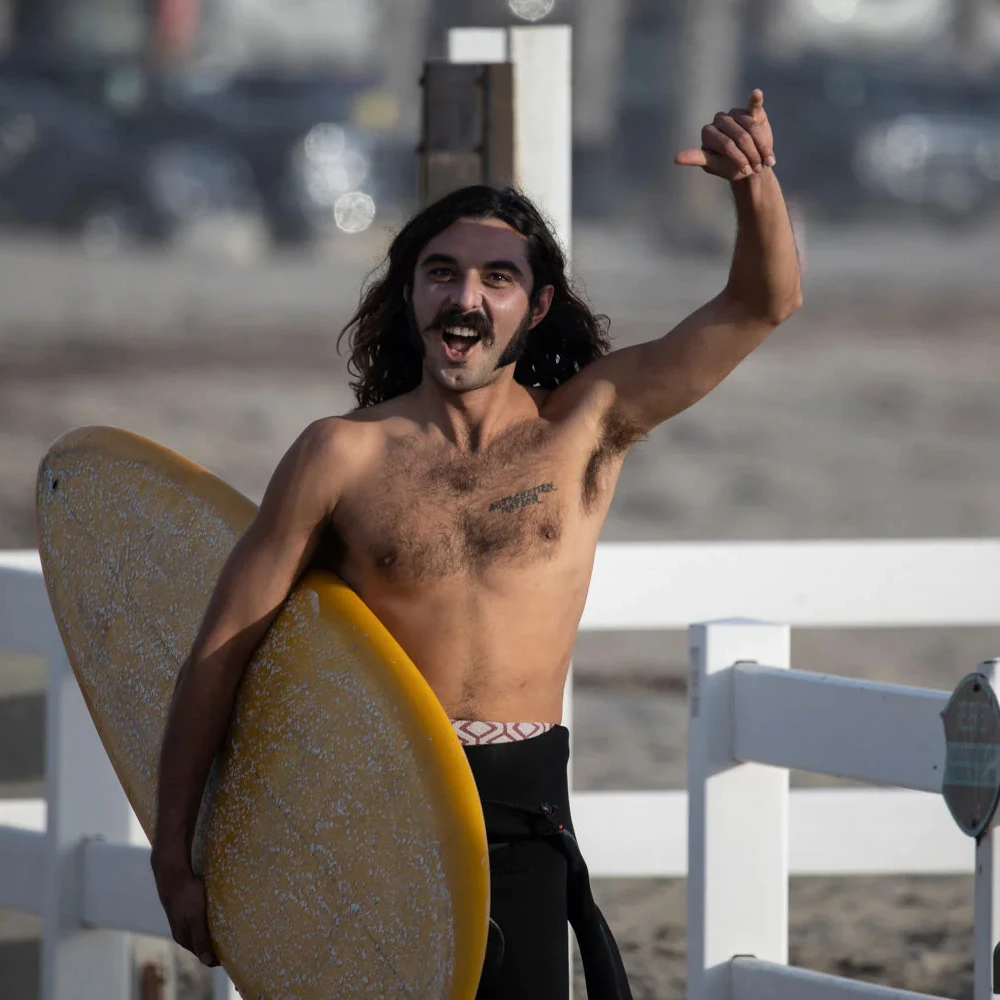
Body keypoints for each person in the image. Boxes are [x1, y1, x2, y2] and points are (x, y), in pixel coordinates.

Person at [150, 89, 801, 999]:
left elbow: (762, 303)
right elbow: (221, 652)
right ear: (409, 293)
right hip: (375, 801)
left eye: (498, 278)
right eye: (442, 273)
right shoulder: (340, 455)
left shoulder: (587, 426)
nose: (466, 298)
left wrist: (753, 182)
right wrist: (172, 852)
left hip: (522, 808)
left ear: (537, 306)